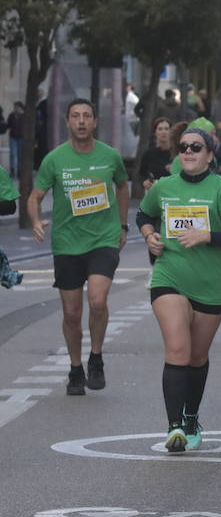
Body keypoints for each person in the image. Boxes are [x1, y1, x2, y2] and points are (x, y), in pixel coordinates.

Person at [137, 123, 221, 451]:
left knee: (197, 357)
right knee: (178, 350)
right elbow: (144, 215)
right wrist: (149, 237)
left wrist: (207, 236)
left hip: (209, 286)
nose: (187, 151)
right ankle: (175, 428)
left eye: (195, 147)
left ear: (210, 155)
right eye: (183, 147)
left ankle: (190, 417)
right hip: (169, 277)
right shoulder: (164, 187)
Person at [27, 98, 130, 396]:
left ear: (95, 122)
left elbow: (122, 186)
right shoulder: (55, 159)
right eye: (75, 116)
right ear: (68, 122)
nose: (81, 121)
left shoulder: (110, 156)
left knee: (97, 301)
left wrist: (122, 225)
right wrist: (35, 220)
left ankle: (96, 357)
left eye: (87, 115)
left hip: (103, 240)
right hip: (67, 244)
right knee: (71, 313)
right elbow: (34, 196)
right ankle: (75, 368)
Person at [139, 118, 175, 191]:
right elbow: (141, 174)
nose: (163, 132)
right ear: (155, 132)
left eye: (166, 129)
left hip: (173, 193)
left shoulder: (177, 153)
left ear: (171, 132)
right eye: (160, 129)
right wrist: (145, 182)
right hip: (154, 192)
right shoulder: (149, 154)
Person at [7, 102, 25, 180]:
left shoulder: (24, 116)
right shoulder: (11, 116)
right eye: (15, 107)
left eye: (17, 107)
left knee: (20, 155)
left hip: (21, 138)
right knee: (13, 154)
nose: (15, 109)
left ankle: (19, 171)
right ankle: (12, 170)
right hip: (13, 138)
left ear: (21, 108)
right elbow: (8, 125)